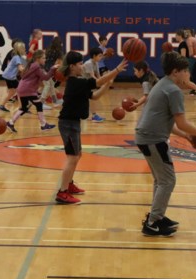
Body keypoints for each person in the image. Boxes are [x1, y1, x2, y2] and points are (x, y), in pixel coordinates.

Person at [135, 52, 196, 236]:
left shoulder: (162, 84)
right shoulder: (173, 90)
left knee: (161, 180)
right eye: (186, 70)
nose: (189, 74)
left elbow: (168, 123)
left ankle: (156, 217)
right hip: (153, 139)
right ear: (175, 72)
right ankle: (152, 223)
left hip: (146, 137)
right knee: (168, 180)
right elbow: (182, 123)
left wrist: (188, 137)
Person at [54, 51, 128, 204]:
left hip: (73, 123)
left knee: (77, 155)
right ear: (73, 66)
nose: (82, 66)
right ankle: (62, 192)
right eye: (80, 64)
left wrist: (108, 83)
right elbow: (98, 82)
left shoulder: (79, 82)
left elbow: (95, 96)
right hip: (68, 123)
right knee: (72, 157)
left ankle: (69, 184)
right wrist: (117, 70)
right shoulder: (75, 82)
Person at [7, 49, 56, 133]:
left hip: (22, 88)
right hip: (27, 89)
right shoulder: (36, 66)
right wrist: (53, 69)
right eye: (43, 58)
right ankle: (43, 125)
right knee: (39, 104)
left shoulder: (32, 65)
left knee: (24, 108)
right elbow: (45, 77)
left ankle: (11, 123)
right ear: (38, 58)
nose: (45, 59)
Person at [0, 41, 26, 112]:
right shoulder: (17, 57)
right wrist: (29, 68)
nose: (25, 49)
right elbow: (20, 68)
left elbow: (19, 68)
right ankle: (21, 108)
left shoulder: (16, 57)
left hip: (7, 76)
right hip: (10, 77)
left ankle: (1, 105)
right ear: (20, 50)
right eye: (23, 48)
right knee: (20, 91)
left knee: (12, 92)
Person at [82, 47, 107, 123]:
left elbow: (98, 75)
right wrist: (101, 85)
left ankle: (93, 115)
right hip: (82, 83)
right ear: (94, 56)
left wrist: (103, 83)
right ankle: (94, 116)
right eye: (99, 56)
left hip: (88, 83)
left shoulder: (96, 63)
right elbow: (93, 76)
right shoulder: (88, 63)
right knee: (91, 99)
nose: (101, 57)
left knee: (89, 99)